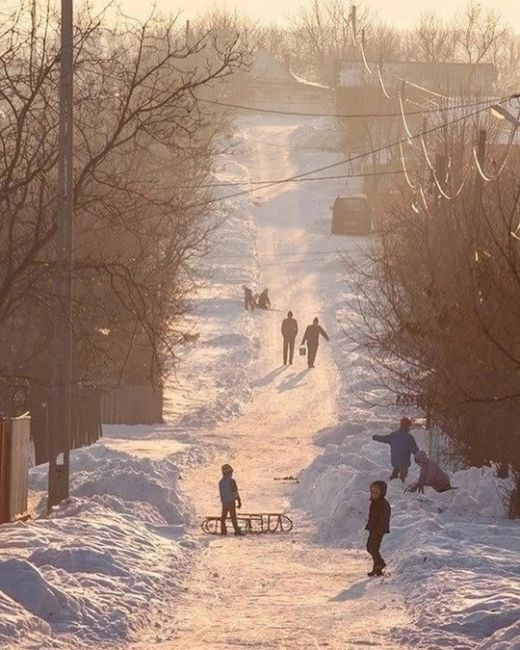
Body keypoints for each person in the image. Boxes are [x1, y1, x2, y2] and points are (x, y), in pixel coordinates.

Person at [372, 417, 419, 482]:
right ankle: (400, 483)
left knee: (396, 469)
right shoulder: (409, 438)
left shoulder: (393, 435)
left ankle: (392, 480)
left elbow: (384, 438)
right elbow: (415, 450)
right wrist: (420, 458)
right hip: (404, 462)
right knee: (403, 474)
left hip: (395, 460)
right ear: (408, 426)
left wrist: (376, 437)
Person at [365, 480, 391, 577]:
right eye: (372, 492)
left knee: (373, 548)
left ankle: (380, 563)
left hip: (379, 530)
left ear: (382, 492)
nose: (374, 494)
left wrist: (379, 528)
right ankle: (377, 568)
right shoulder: (374, 502)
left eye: (376, 492)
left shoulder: (383, 504)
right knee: (370, 547)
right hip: (373, 528)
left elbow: (384, 518)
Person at [219, 464, 243, 535]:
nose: (232, 474)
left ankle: (223, 531)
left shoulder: (221, 482)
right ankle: (237, 531)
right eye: (231, 473)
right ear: (228, 473)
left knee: (223, 518)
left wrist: (223, 501)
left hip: (224, 502)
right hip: (231, 502)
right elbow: (235, 492)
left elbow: (221, 493)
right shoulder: (232, 481)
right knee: (233, 517)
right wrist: (239, 501)